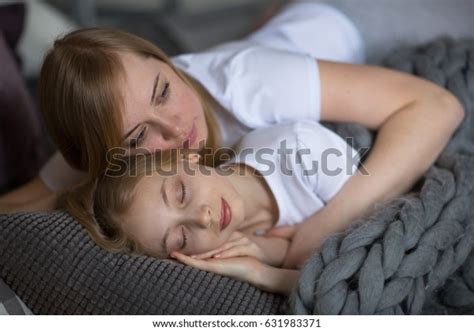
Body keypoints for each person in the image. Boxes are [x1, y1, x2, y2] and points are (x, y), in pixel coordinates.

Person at [0, 1, 465, 269]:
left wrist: (319, 230)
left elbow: (435, 106)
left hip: (369, 17)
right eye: (141, 137)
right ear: (108, 160)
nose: (179, 129)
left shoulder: (249, 83)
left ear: (164, 59)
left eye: (164, 89)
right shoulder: (109, 152)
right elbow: (20, 205)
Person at [61, 120, 359, 294]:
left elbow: (355, 278)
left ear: (187, 158)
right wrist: (261, 264)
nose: (203, 218)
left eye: (180, 193)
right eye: (180, 238)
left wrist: (274, 268)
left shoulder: (301, 153)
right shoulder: (240, 244)